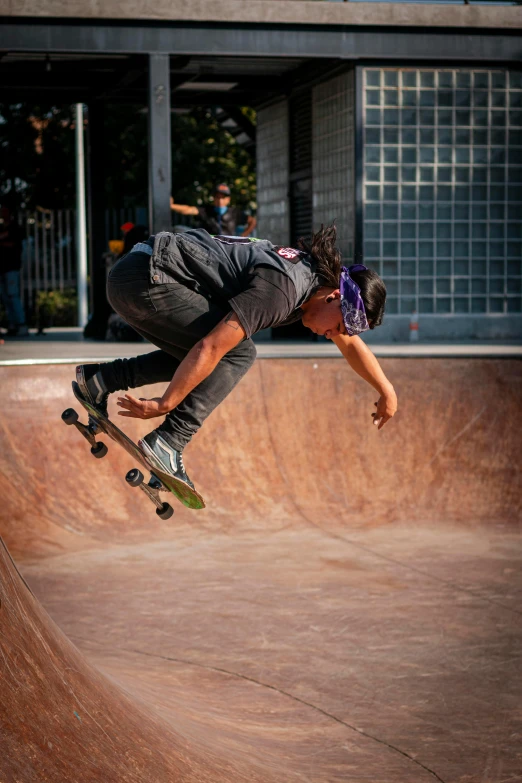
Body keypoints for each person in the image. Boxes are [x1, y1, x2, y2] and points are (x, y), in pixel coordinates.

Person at [74, 224, 397, 490]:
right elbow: (211, 348)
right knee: (235, 354)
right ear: (335, 296)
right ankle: (169, 440)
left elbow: (351, 345)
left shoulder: (315, 286)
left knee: (202, 363)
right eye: (338, 326)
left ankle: (100, 381)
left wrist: (386, 390)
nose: (333, 335)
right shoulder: (282, 290)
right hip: (149, 279)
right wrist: (165, 403)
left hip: (135, 276)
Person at [170, 184, 256, 237]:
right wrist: (172, 206)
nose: (220, 200)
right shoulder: (206, 211)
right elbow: (189, 210)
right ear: (214, 198)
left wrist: (243, 235)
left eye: (223, 197)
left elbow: (252, 221)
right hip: (209, 248)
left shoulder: (235, 213)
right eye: (217, 197)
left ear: (228, 199)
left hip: (227, 248)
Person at [0, 206, 28, 337]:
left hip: (12, 267)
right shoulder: (2, 227)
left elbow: (15, 244)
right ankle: (12, 324)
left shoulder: (14, 228)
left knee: (12, 295)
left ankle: (21, 324)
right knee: (5, 297)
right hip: (2, 267)